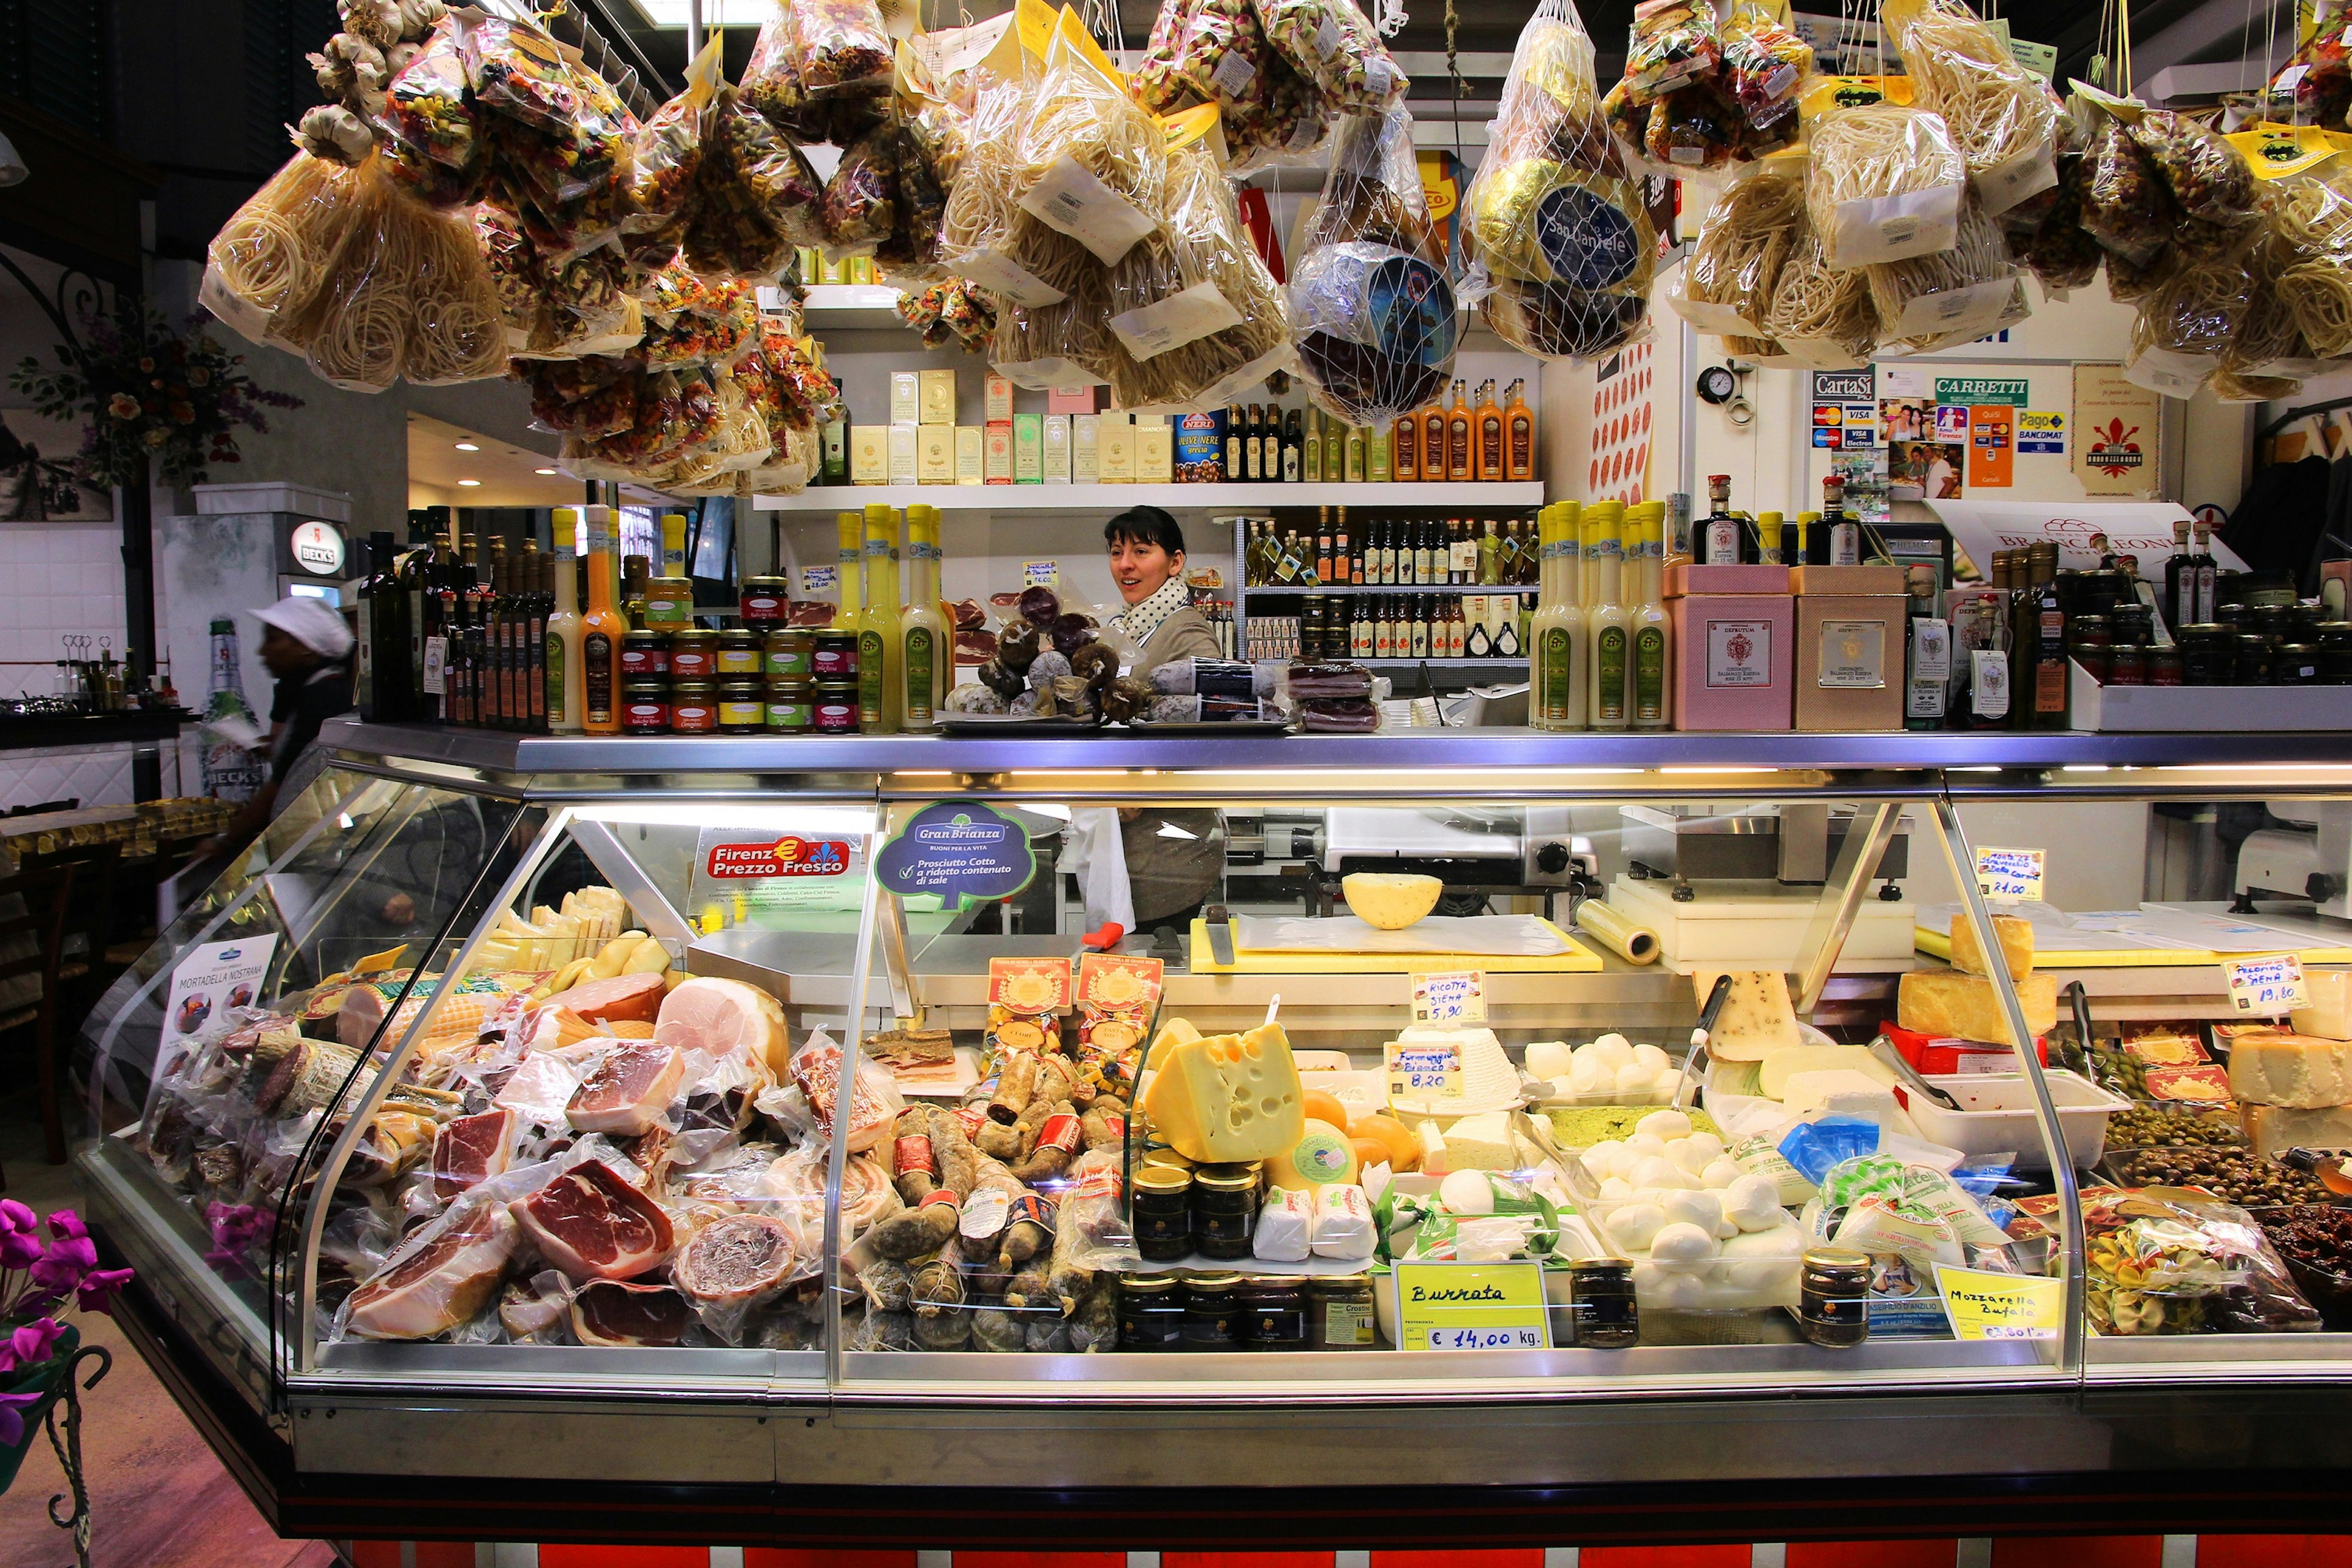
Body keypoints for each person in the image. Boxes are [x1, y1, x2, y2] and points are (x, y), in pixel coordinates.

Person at [1102, 507, 1224, 941]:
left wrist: (1140, 790)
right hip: (1133, 850)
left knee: (1162, 976)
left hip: (1173, 853)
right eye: (1118, 552)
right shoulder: (1123, 629)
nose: (1125, 564)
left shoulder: (1184, 630)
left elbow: (1209, 727)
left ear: (1175, 563)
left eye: (1141, 550)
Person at [204, 595, 355, 859]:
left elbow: (280, 784)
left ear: (307, 647)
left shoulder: (323, 695)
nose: (262, 650)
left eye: (273, 639)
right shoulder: (309, 688)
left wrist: (223, 843)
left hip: (318, 844)